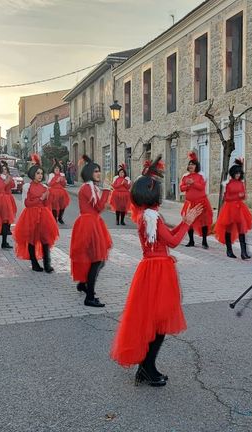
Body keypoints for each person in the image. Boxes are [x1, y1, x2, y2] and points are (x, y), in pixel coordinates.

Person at [111, 156, 203, 387]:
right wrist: (187, 222)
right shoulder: (153, 216)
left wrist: (182, 222)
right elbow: (173, 241)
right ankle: (147, 368)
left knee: (153, 321)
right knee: (159, 323)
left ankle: (146, 367)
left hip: (151, 268)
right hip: (158, 270)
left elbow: (163, 238)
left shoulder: (145, 215)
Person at [70, 155, 111, 308]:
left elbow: (100, 207)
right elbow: (100, 207)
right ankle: (89, 296)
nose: (99, 174)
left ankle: (83, 284)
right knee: (96, 260)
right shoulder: (88, 188)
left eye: (99, 171)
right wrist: (106, 190)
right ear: (88, 173)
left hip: (92, 223)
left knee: (95, 259)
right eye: (95, 171)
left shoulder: (91, 187)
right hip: (89, 224)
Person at [14, 155, 58, 273]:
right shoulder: (27, 186)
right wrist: (40, 198)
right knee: (32, 240)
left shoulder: (44, 186)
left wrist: (48, 196)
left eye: (41, 173)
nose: (40, 175)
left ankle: (47, 264)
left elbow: (47, 203)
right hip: (30, 216)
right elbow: (27, 203)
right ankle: (34, 263)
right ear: (33, 174)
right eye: (38, 173)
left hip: (43, 215)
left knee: (45, 240)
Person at [215, 159, 252, 259]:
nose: (238, 175)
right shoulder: (228, 184)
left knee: (242, 230)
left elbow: (244, 196)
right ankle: (229, 250)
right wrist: (238, 195)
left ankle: (244, 252)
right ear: (232, 173)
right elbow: (226, 197)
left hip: (239, 208)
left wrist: (242, 195)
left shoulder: (241, 183)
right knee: (229, 229)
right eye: (236, 173)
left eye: (239, 173)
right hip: (230, 208)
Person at [180, 151, 213, 249]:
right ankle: (191, 241)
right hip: (190, 203)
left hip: (201, 202)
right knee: (189, 221)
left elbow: (201, 187)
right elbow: (181, 188)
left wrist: (193, 183)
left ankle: (204, 241)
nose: (191, 166)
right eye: (189, 164)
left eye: (193, 164)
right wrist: (188, 185)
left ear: (196, 166)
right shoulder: (185, 176)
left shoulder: (200, 176)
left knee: (203, 221)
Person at [0, 163, 17, 241]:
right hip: (3, 197)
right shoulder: (0, 178)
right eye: (3, 170)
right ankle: (2, 229)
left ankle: (8, 229)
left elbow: (13, 186)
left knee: (11, 213)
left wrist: (10, 180)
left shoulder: (9, 177)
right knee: (3, 214)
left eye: (5, 170)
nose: (4, 171)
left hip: (9, 197)